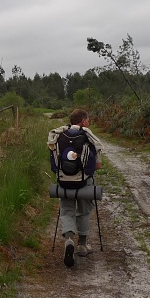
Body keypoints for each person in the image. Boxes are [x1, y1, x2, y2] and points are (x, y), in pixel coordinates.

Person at [47, 109, 103, 267]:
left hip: (64, 182)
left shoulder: (59, 136)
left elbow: (54, 163)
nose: (89, 123)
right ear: (83, 121)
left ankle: (69, 239)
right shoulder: (87, 136)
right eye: (88, 120)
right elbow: (97, 165)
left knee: (66, 211)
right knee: (84, 210)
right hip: (85, 182)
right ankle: (82, 245)